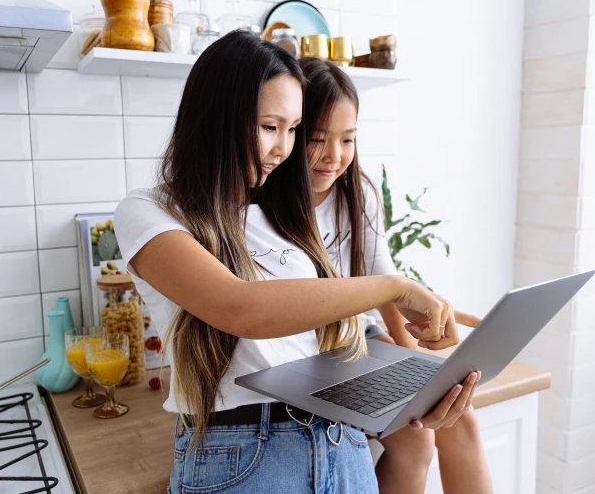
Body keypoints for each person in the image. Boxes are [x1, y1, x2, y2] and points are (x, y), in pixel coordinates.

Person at [113, 32, 480, 494]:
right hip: (242, 453)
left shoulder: (286, 213)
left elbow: (320, 348)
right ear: (215, 118)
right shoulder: (150, 211)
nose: (283, 149)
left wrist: (413, 395)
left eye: (292, 129)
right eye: (270, 126)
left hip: (341, 445)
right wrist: (390, 286)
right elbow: (239, 308)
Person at [301, 56, 494, 494]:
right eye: (317, 139)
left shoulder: (358, 193)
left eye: (348, 139)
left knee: (459, 420)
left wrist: (421, 371)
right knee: (417, 438)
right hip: (306, 351)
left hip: (357, 339)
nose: (335, 156)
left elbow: (387, 286)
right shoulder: (267, 208)